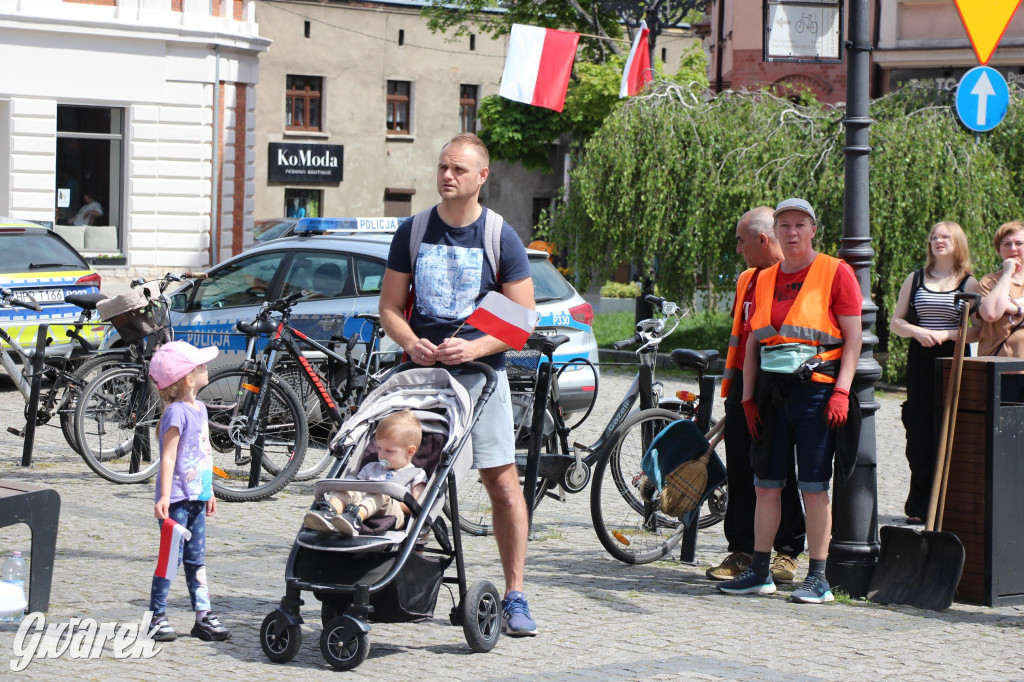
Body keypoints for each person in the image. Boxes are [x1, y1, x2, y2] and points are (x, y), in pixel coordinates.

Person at [378, 132, 538, 636]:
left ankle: (515, 593)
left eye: (459, 170)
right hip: (421, 375)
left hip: (480, 377)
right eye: (443, 168)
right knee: (396, 471)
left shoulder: (499, 236)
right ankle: (387, 574)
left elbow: (523, 318)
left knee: (504, 486)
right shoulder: (413, 230)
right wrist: (411, 340)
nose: (448, 176)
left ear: (481, 177)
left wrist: (475, 347)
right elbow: (388, 308)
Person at [719, 198, 862, 604]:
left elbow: (853, 340)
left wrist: (841, 391)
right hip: (770, 393)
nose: (793, 232)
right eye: (786, 226)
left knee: (814, 487)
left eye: (801, 225)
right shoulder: (763, 278)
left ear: (813, 230)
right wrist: (747, 399)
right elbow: (751, 346)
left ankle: (819, 578)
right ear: (776, 232)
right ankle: (760, 571)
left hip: (817, 391)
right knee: (766, 484)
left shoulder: (836, 272)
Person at [706, 207, 807, 584]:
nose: (738, 249)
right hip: (743, 389)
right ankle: (743, 550)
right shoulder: (746, 279)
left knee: (782, 471)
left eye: (741, 241)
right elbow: (740, 336)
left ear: (762, 240)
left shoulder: (800, 276)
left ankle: (787, 551)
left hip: (783, 386)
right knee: (741, 469)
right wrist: (735, 393)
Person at [889, 221, 979, 524]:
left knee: (950, 430)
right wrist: (917, 331)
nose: (938, 241)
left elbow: (977, 330)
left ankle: (947, 505)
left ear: (958, 243)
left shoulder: (969, 283)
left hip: (953, 360)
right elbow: (896, 322)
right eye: (934, 237)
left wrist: (948, 335)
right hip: (921, 361)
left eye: (945, 237)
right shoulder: (914, 279)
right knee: (918, 433)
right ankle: (918, 506)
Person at [147, 341, 230, 642]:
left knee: (197, 560)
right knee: (171, 559)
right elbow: (168, 457)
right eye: (201, 366)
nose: (207, 368)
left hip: (197, 498)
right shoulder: (176, 413)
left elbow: (204, 452)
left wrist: (209, 490)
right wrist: (164, 497)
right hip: (178, 500)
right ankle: (156, 616)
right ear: (187, 378)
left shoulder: (201, 409)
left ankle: (203, 615)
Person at [302, 410, 428, 536]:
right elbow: (356, 490)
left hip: (394, 514)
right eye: (379, 448)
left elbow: (416, 505)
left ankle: (356, 518)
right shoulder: (371, 468)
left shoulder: (416, 474)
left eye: (389, 451)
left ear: (410, 451)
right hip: (360, 505)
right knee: (347, 487)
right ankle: (328, 513)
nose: (381, 454)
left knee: (381, 493)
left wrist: (386, 498)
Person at [977, 220, 1024, 358]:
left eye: (1019, 243)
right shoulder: (989, 282)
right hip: (999, 367)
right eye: (1007, 244)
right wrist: (1007, 274)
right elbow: (990, 313)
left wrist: (1013, 307)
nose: (1013, 249)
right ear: (999, 250)